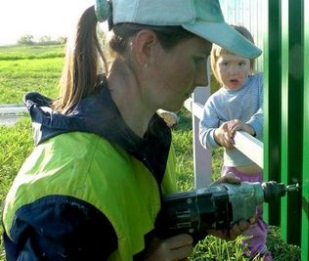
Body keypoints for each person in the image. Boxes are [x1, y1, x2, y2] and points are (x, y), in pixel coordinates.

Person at [1, 0, 262, 260]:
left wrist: (199, 210)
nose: (203, 79)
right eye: (197, 59)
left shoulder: (147, 133)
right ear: (146, 47)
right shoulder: (69, 196)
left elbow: (138, 223)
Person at [199, 25, 270, 260]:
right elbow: (204, 134)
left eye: (241, 63)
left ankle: (260, 238)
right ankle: (257, 254)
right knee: (247, 219)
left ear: (250, 63)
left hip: (264, 169)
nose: (234, 70)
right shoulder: (215, 101)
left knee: (265, 210)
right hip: (235, 173)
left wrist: (250, 127)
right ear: (214, 64)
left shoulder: (259, 84)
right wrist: (218, 135)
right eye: (226, 63)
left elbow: (267, 110)